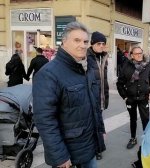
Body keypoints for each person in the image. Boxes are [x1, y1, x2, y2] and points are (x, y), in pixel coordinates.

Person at [33, 21, 105, 168]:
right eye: (77, 40)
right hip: (67, 155)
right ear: (64, 42)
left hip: (88, 147)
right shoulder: (49, 73)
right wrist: (60, 156)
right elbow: (45, 120)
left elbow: (94, 105)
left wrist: (100, 130)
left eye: (85, 41)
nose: (83, 45)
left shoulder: (86, 68)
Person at [117, 46, 150, 150]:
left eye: (140, 53)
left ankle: (147, 139)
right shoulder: (126, 66)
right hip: (130, 98)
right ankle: (133, 138)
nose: (139, 55)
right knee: (132, 119)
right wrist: (124, 96)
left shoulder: (147, 66)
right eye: (136, 53)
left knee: (145, 119)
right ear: (132, 55)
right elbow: (120, 83)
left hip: (144, 98)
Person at [87, 31, 110, 160]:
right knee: (92, 124)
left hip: (101, 98)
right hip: (91, 97)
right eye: (98, 43)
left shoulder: (104, 57)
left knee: (99, 123)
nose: (101, 46)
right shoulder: (87, 57)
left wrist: (105, 97)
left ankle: (98, 147)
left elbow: (103, 79)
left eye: (103, 44)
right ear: (92, 44)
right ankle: (96, 149)